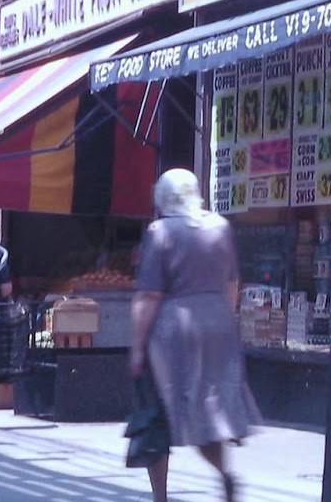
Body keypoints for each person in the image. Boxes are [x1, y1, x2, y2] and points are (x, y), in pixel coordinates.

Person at [128, 169, 258, 502]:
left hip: (174, 332)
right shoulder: (220, 226)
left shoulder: (159, 232)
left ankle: (160, 496)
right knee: (210, 412)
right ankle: (225, 474)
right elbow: (232, 283)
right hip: (218, 324)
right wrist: (224, 320)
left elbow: (149, 296)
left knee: (156, 416)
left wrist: (139, 347)